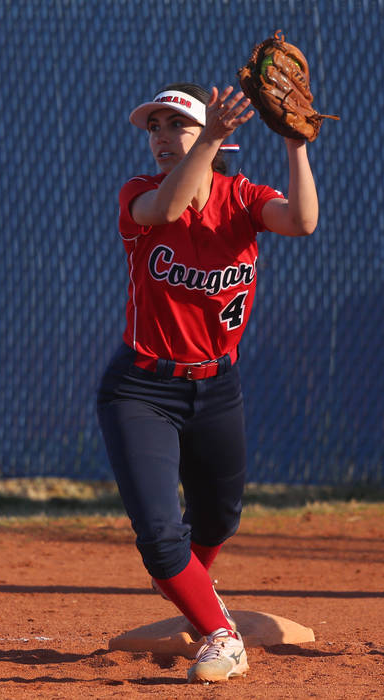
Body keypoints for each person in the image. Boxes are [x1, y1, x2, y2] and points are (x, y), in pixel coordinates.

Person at [96, 82, 318, 682]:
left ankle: (188, 585)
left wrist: (298, 146)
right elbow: (168, 210)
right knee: (160, 535)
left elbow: (301, 220)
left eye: (178, 126)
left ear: (217, 137)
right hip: (141, 388)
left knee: (218, 521)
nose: (163, 137)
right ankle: (220, 633)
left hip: (216, 386)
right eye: (155, 128)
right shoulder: (139, 193)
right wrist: (211, 137)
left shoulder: (243, 196)